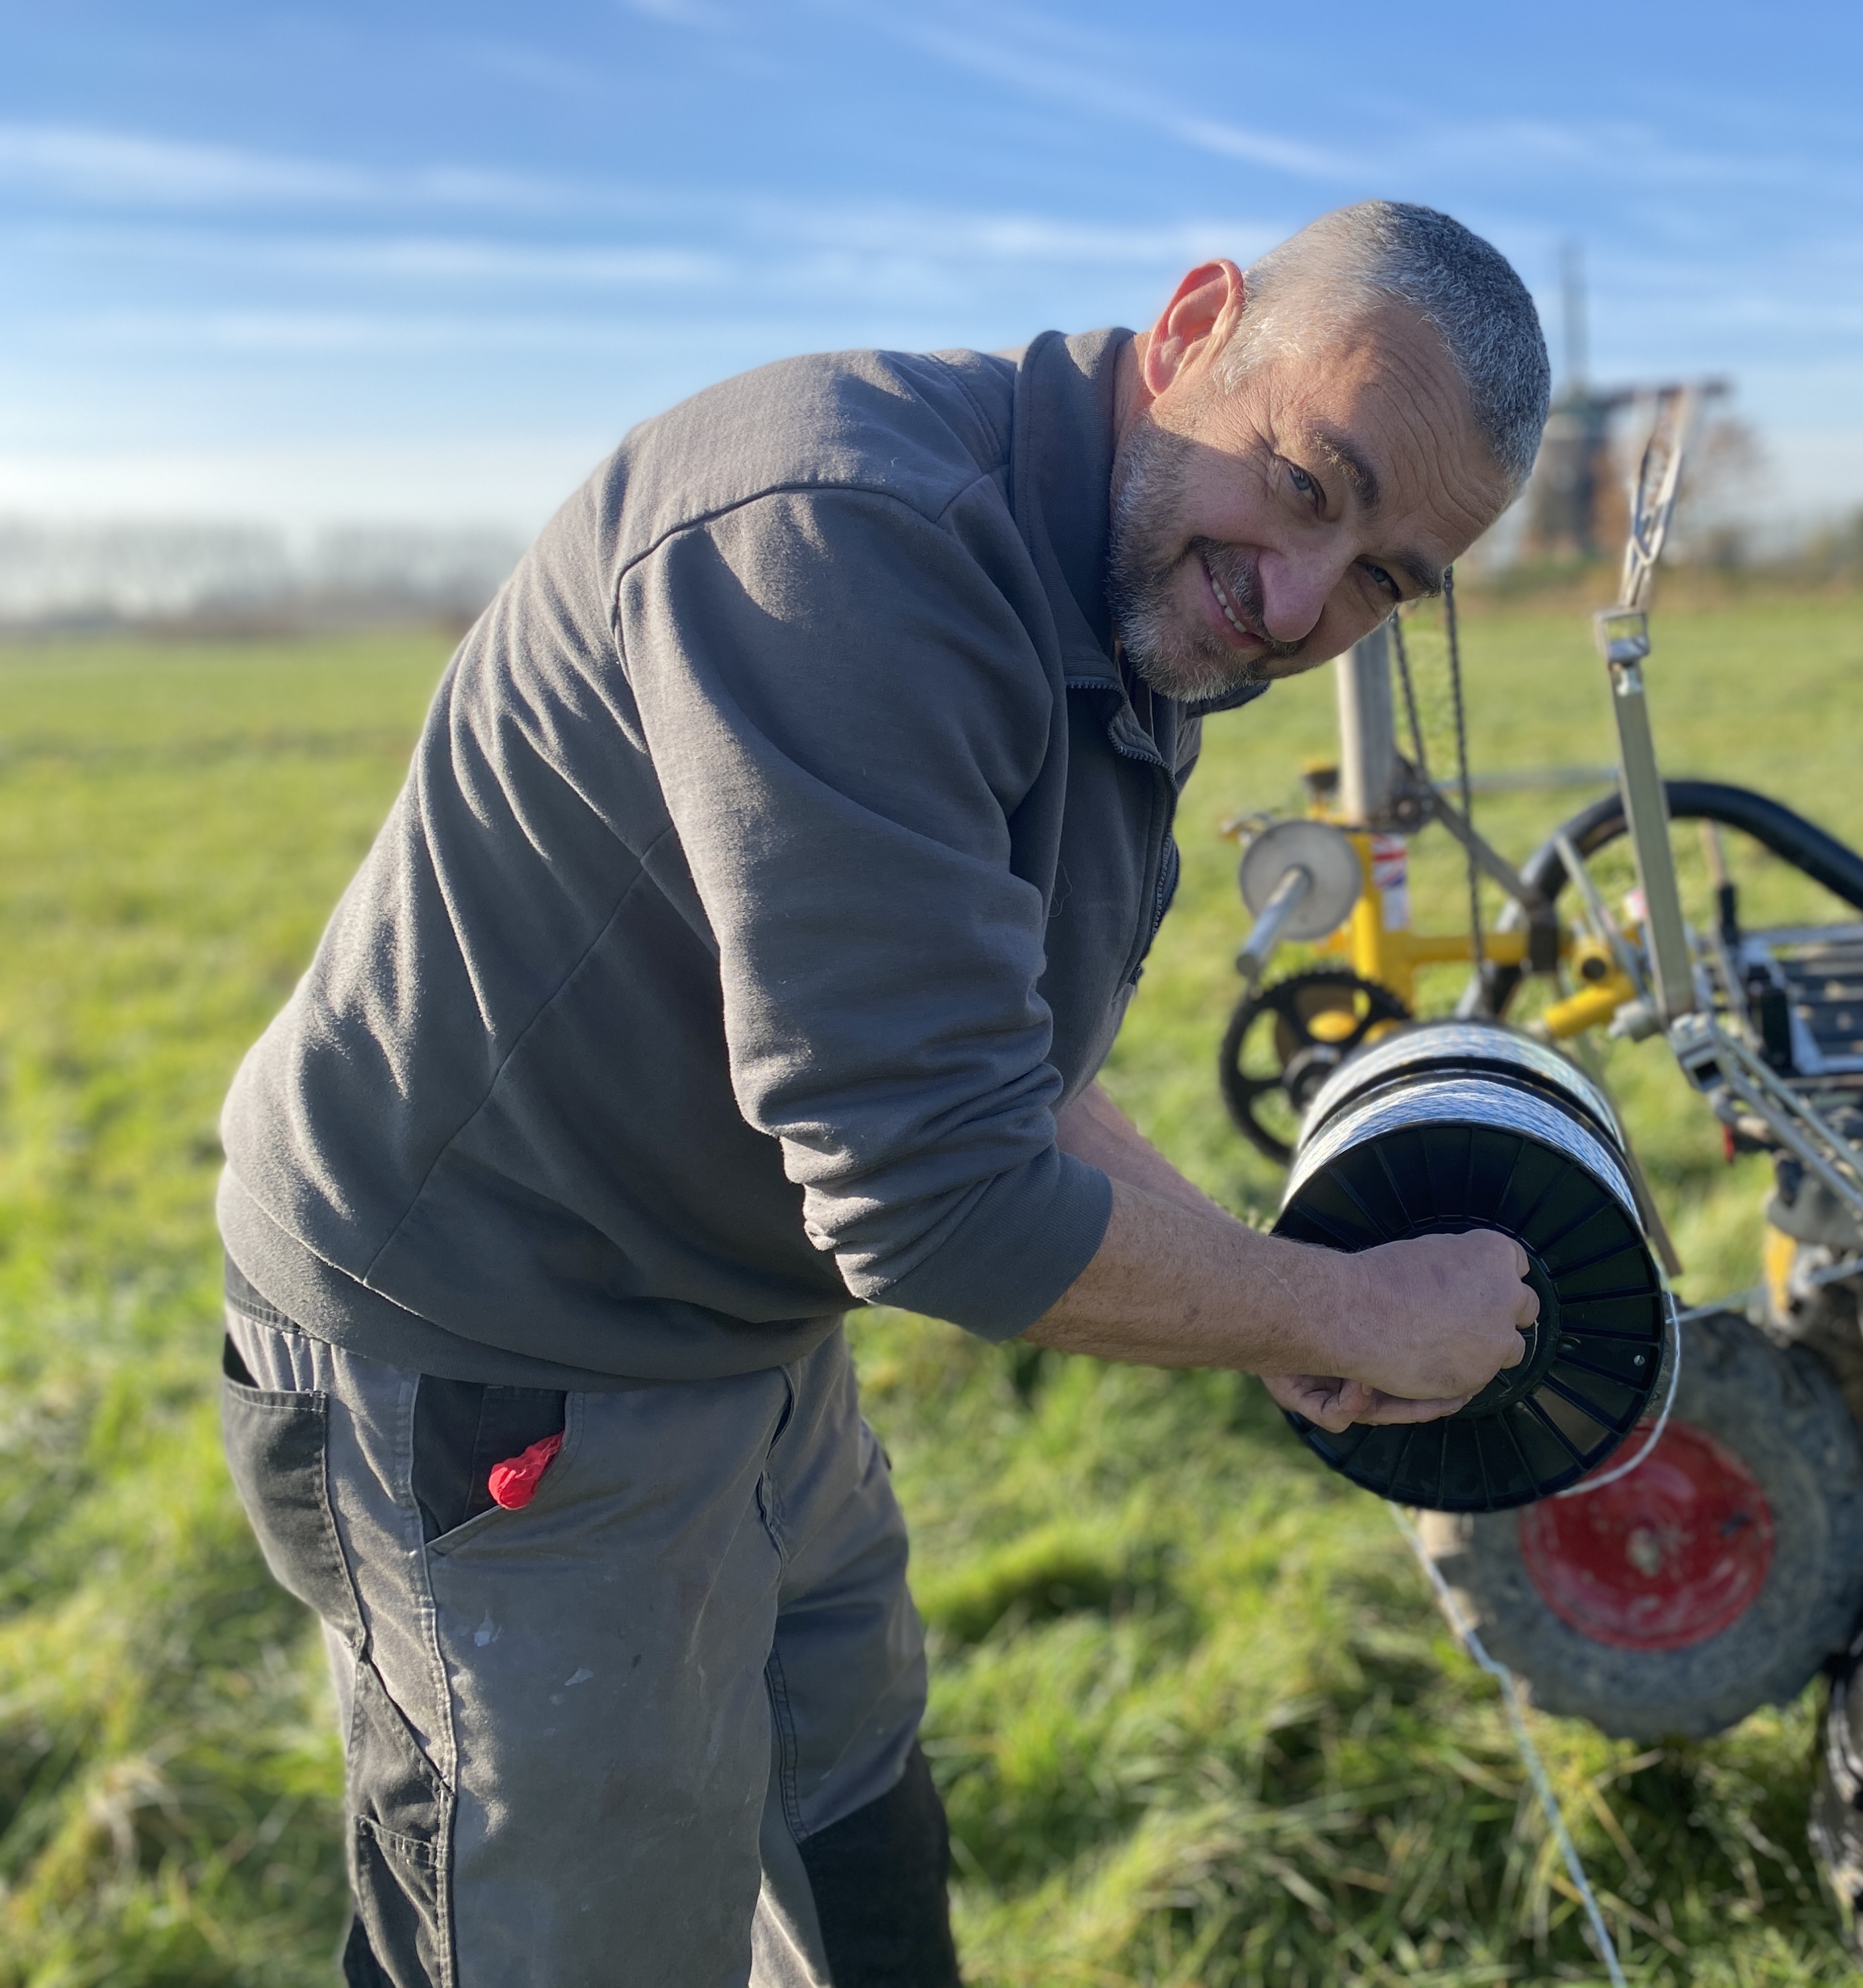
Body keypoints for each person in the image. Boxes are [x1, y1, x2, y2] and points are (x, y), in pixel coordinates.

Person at [214, 199, 1552, 1986]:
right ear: (1195, 324)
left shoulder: (1135, 584)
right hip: (499, 1355)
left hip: (741, 1318)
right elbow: (937, 1201)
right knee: (575, 1936)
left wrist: (1260, 1292)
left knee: (856, 1848)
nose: (1308, 603)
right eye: (1311, 484)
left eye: (1389, 574)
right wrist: (1354, 1312)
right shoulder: (850, 548)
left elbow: (991, 1088)